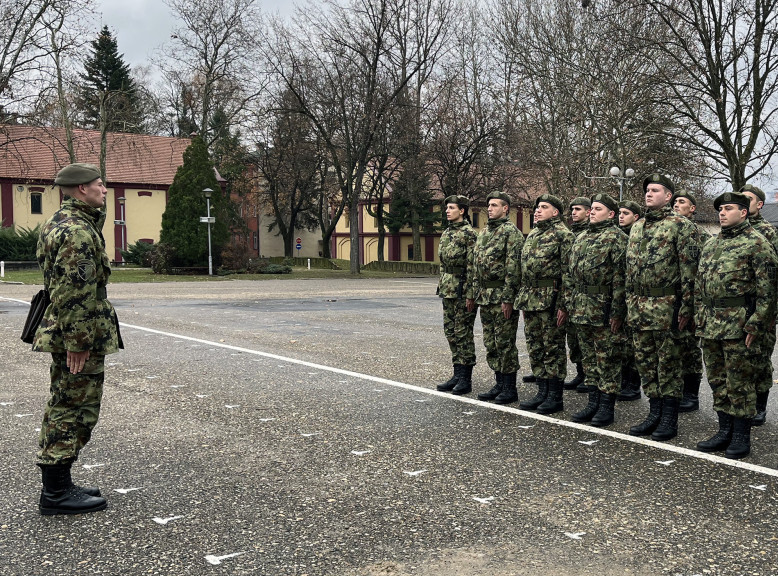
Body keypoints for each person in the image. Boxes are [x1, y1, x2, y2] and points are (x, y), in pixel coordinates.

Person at [32, 163, 123, 515]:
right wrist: (79, 342)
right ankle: (55, 493)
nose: (104, 189)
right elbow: (75, 291)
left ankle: (60, 483)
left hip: (71, 329)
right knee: (73, 408)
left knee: (66, 403)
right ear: (82, 189)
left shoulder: (63, 222)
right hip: (78, 332)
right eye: (100, 185)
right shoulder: (77, 232)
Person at [695, 191, 777, 459]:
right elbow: (699, 286)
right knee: (718, 380)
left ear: (743, 212)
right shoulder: (711, 244)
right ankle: (724, 431)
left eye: (728, 208)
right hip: (711, 325)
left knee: (739, 382)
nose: (722, 213)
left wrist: (756, 325)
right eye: (720, 209)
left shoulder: (757, 243)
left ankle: (741, 436)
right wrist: (699, 315)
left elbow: (769, 292)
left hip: (739, 326)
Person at [625, 173, 699, 441]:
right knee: (646, 363)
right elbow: (629, 270)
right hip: (639, 307)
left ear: (668, 196)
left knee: (668, 365)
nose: (648, 193)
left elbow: (690, 272)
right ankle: (654, 413)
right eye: (646, 190)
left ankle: (669, 419)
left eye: (655, 190)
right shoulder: (637, 226)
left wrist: (687, 309)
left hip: (666, 307)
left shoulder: (681, 226)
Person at [565, 194, 627, 427]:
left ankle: (606, 408)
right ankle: (593, 402)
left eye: (598, 209)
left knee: (607, 359)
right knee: (589, 359)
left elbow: (621, 279)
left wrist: (617, 312)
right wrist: (571, 302)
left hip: (604, 308)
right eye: (592, 208)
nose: (592, 212)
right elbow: (571, 275)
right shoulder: (581, 238)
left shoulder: (617, 238)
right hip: (582, 308)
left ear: (611, 214)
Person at [517, 193, 574, 414]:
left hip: (551, 298)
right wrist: (523, 300)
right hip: (531, 298)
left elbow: (568, 273)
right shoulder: (533, 234)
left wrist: (563, 305)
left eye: (543, 207)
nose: (537, 211)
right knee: (535, 346)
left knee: (553, 348)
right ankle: (542, 392)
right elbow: (525, 270)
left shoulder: (563, 235)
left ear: (556, 212)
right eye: (537, 207)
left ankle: (554, 397)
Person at [470, 191, 524, 404]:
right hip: (485, 296)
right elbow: (476, 265)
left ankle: (509, 388)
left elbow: (513, 269)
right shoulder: (483, 233)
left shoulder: (512, 233)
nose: (490, 208)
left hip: (501, 295)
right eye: (489, 205)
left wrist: (508, 298)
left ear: (505, 208)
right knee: (491, 342)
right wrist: (475, 293)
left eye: (494, 205)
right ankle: (499, 383)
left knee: (505, 343)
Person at [740, 184, 778, 426]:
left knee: (760, 359)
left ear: (759, 204)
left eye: (748, 199)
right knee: (741, 359)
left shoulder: (768, 232)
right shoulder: (733, 230)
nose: (743, 203)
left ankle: (760, 406)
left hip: (761, 305)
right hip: (737, 308)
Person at [436, 195, 478, 395]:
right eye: (447, 208)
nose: (447, 211)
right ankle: (457, 372)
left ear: (462, 211)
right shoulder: (446, 233)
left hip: (462, 289)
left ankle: (465, 378)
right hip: (448, 289)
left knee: (463, 333)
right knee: (450, 332)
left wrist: (470, 293)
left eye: (451, 208)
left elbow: (472, 266)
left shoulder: (469, 234)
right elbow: (443, 264)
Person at [672, 190, 709, 412]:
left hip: (691, 298)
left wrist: (695, 306)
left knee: (690, 348)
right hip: (670, 298)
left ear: (692, 208)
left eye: (682, 202)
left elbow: (702, 272)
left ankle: (691, 395)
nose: (677, 204)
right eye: (675, 201)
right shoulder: (667, 231)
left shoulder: (700, 234)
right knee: (674, 348)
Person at [563, 197, 591, 392]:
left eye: (578, 209)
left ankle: (589, 376)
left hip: (587, 297)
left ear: (588, 212)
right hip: (572, 294)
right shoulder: (572, 233)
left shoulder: (589, 233)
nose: (573, 212)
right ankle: (581, 373)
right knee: (573, 338)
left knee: (585, 341)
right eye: (572, 209)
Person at [616, 201, 642, 401]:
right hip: (621, 295)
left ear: (636, 217)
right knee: (621, 343)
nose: (621, 216)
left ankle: (633, 384)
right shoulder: (618, 236)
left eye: (626, 213)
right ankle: (623, 381)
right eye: (619, 213)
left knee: (633, 344)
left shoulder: (638, 236)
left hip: (634, 297)